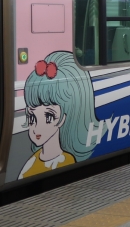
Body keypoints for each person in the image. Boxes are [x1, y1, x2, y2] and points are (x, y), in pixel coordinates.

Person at [19, 51, 104, 179]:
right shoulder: (32, 161)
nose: (36, 127)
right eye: (32, 118)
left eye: (48, 117)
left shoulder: (65, 160)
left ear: (64, 117)